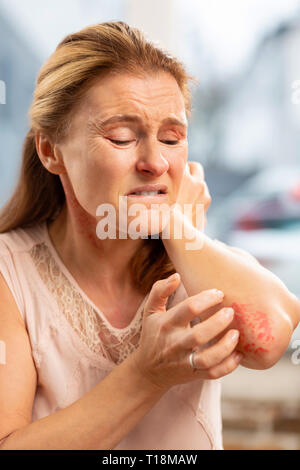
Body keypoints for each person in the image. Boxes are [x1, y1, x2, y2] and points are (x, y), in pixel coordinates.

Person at [0, 21, 299, 451]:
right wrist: (147, 374)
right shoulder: (10, 271)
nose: (155, 162)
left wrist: (176, 225)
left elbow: (269, 338)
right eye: (122, 137)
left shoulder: (194, 257)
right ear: (51, 151)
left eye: (172, 137)